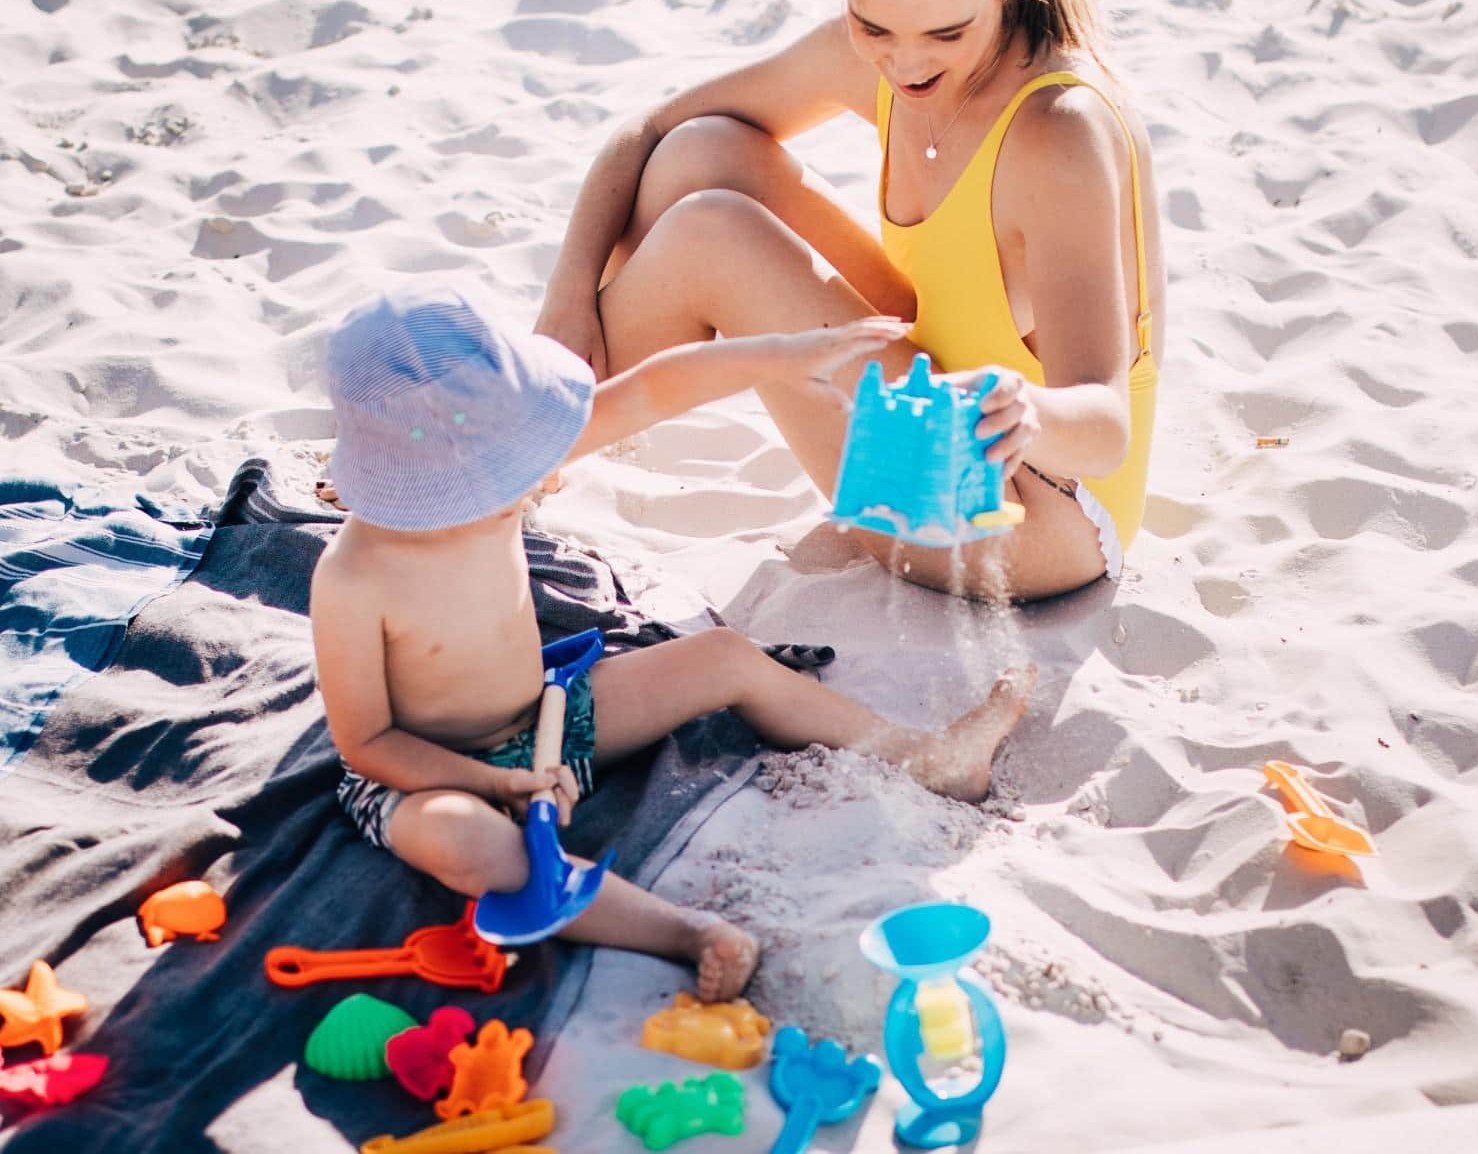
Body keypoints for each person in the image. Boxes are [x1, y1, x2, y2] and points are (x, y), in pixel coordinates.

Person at [309, 286, 1033, 1002]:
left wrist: (781, 355)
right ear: (409, 477)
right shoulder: (353, 578)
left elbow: (656, 389)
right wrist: (498, 785)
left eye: (516, 455)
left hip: (548, 723)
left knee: (721, 659)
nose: (527, 479)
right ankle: (684, 932)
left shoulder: (498, 475)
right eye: (499, 469)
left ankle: (933, 759)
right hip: (424, 776)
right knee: (475, 848)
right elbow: (367, 742)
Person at [535, 0, 1164, 601]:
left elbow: (1105, 428)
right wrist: (567, 295)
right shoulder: (875, 53)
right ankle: (543, 417)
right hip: (930, 383)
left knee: (712, 238)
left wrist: (1027, 408)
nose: (906, 63)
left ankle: (506, 455)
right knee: (703, 153)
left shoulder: (1056, 133)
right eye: (875, 26)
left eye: (946, 32)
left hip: (1038, 508)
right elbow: (650, 129)